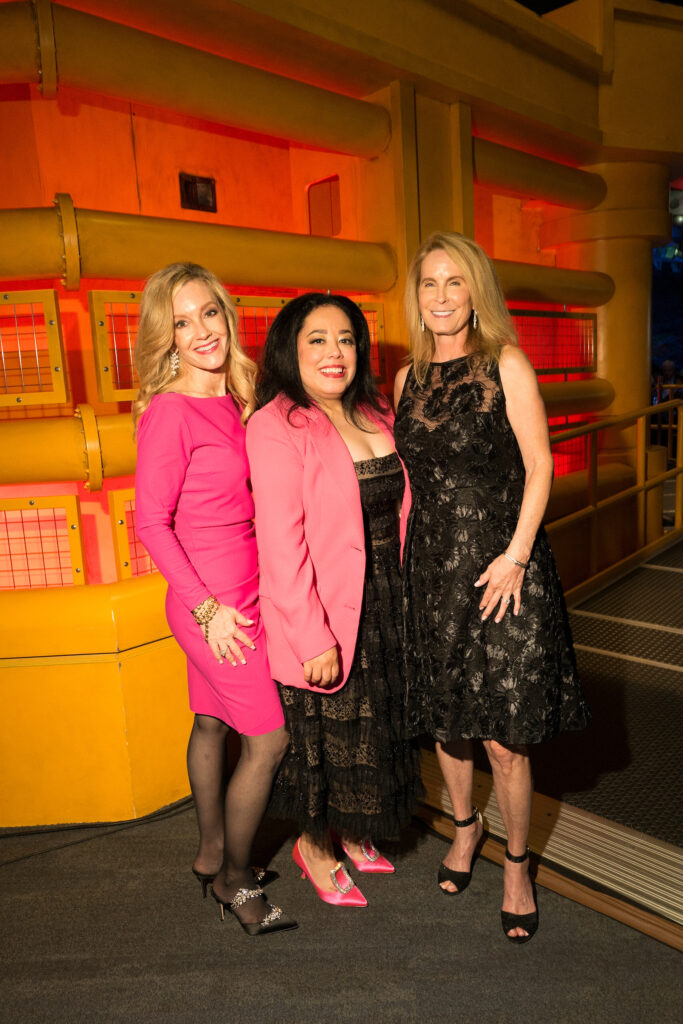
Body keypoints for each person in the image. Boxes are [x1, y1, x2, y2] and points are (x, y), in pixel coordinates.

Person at [393, 232, 590, 943]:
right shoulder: (405, 377)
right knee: (447, 720)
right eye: (428, 284)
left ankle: (515, 863)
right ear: (415, 297)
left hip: (502, 572)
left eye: (454, 282)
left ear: (475, 292)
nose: (440, 297)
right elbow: (411, 485)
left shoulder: (504, 363)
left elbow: (539, 466)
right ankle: (464, 827)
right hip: (432, 573)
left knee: (505, 738)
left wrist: (513, 558)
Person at [133, 262, 296, 937]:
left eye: (209, 313)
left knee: (210, 725)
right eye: (181, 321)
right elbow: (149, 523)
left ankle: (208, 853)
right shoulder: (171, 411)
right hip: (215, 608)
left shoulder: (235, 395)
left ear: (226, 315)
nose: (201, 330)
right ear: (165, 338)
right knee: (269, 739)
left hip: (244, 591)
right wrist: (207, 610)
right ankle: (233, 877)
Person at [246, 293, 423, 908]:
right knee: (322, 734)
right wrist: (311, 634)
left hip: (386, 594)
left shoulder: (375, 408)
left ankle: (351, 829)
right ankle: (314, 847)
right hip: (323, 605)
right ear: (290, 349)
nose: (334, 352)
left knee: (376, 722)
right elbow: (280, 542)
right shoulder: (275, 424)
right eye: (317, 338)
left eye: (346, 338)